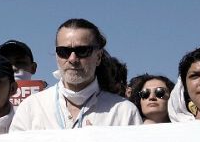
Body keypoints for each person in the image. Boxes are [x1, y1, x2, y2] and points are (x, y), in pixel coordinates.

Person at [12, 19, 140, 131]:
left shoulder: (124, 112)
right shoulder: (31, 108)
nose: (72, 59)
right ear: (56, 55)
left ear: (98, 57)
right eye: (64, 51)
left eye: (82, 51)